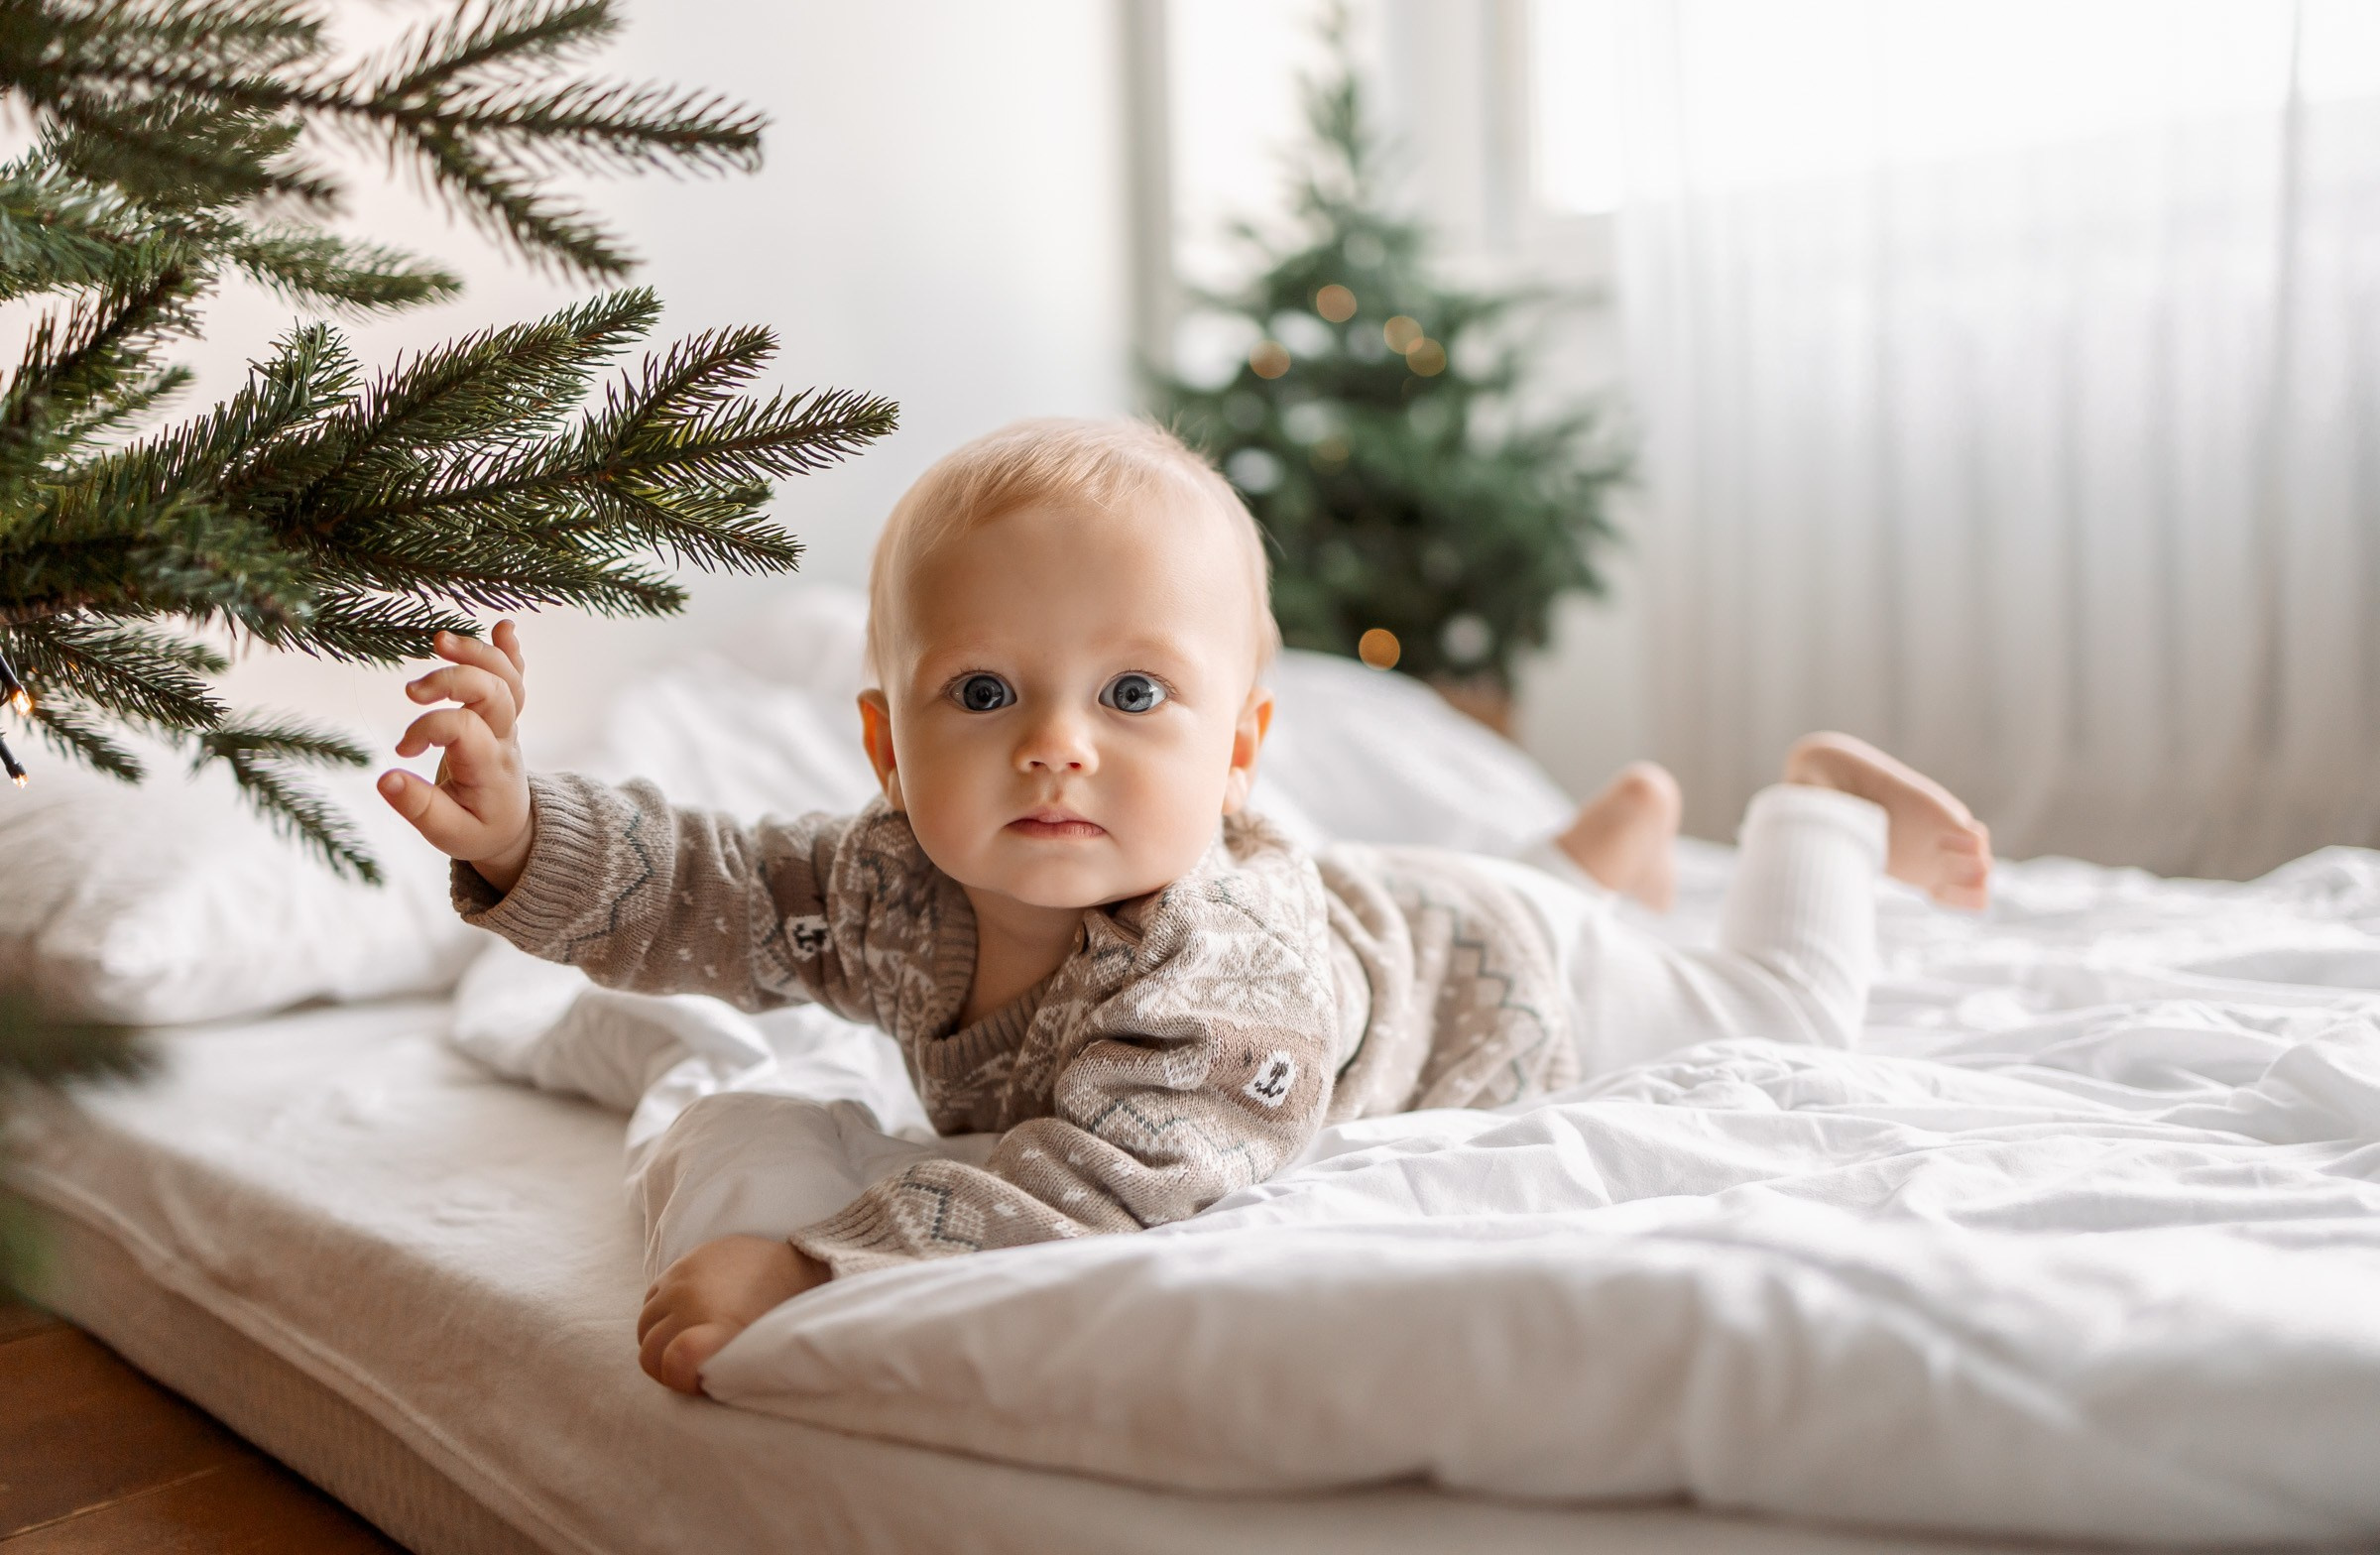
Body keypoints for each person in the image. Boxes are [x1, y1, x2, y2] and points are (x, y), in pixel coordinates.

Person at [378, 419, 1990, 1395]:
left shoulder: (1218, 983)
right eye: (986, 688)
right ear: (885, 740)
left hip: (1515, 987)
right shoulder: (891, 878)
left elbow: (1112, 1177)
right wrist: (527, 834)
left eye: (1133, 689)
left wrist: (808, 1265)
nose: (1056, 742)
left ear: (1238, 751)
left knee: (1779, 1015)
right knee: (1490, 899)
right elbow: (722, 897)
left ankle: (1819, 816)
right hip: (1409, 916)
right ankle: (1603, 847)